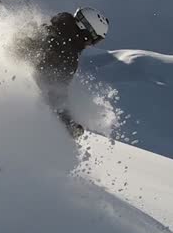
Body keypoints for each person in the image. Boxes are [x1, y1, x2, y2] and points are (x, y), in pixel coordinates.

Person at [12, 7, 110, 137]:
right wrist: (68, 122)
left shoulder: (52, 27)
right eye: (95, 39)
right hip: (20, 95)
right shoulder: (68, 54)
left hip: (9, 67)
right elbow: (56, 91)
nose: (91, 44)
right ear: (87, 31)